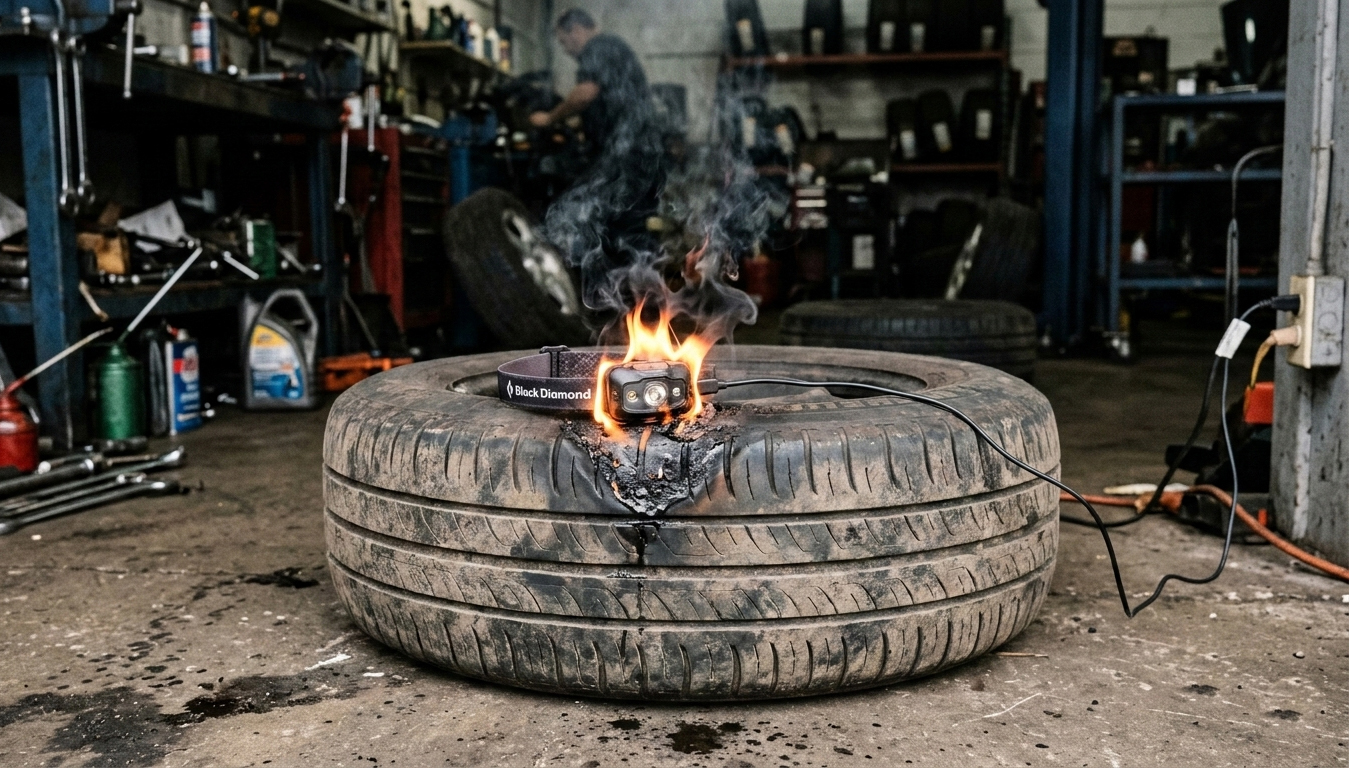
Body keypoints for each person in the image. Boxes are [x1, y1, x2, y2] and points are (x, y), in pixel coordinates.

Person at [530, 9, 666, 312]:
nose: (567, 49)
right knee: (627, 229)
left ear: (576, 30)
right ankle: (638, 312)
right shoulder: (615, 50)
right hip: (639, 154)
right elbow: (608, 102)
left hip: (628, 155)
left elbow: (585, 93)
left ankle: (635, 310)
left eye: (564, 41)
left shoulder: (599, 46)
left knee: (616, 228)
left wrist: (549, 118)